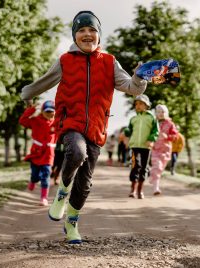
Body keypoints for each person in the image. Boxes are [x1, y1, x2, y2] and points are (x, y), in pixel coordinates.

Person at [20, 11, 147, 244]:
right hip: (70, 122)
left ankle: (72, 223)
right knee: (76, 152)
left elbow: (133, 88)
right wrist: (27, 93)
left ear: (99, 36)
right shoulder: (65, 61)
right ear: (75, 36)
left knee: (86, 181)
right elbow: (44, 82)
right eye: (82, 30)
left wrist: (140, 77)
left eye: (92, 30)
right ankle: (62, 192)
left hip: (97, 128)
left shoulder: (109, 62)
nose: (87, 34)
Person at [19, 100, 57, 206]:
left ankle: (44, 198)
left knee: (46, 175)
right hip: (36, 153)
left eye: (52, 111)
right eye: (47, 111)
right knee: (35, 175)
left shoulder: (57, 123)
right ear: (42, 111)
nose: (50, 114)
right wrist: (31, 109)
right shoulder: (35, 120)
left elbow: (66, 125)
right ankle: (33, 180)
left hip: (48, 155)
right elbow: (23, 121)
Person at [124, 94, 158, 199]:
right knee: (135, 165)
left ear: (146, 105)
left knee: (144, 168)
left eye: (140, 104)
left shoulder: (151, 118)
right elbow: (129, 130)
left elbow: (155, 131)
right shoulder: (133, 118)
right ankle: (132, 190)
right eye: (136, 104)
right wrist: (125, 133)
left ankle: (140, 190)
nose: (137, 106)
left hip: (146, 147)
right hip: (134, 146)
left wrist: (151, 139)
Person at [149, 105, 178, 195]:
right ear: (156, 113)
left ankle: (153, 175)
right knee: (157, 166)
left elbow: (175, 137)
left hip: (166, 150)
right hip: (155, 149)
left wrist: (168, 137)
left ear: (166, 113)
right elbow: (149, 134)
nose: (161, 114)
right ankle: (156, 188)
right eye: (159, 112)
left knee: (160, 169)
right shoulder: (154, 123)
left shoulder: (170, 124)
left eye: (163, 112)